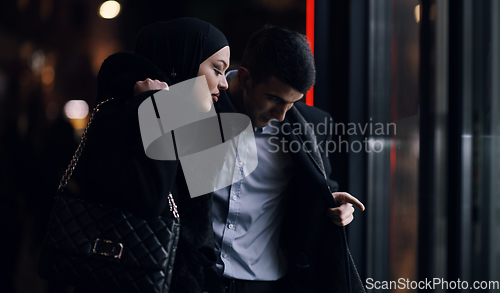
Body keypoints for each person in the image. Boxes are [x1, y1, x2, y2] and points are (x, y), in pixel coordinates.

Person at [75, 17, 229, 293]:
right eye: (217, 70)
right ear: (181, 61)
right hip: (122, 277)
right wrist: (156, 109)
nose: (225, 83)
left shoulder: (192, 122)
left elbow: (197, 230)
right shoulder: (119, 112)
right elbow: (148, 197)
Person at [212, 26, 366, 293]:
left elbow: (314, 194)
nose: (281, 115)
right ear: (246, 78)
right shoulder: (199, 108)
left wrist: (331, 204)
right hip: (194, 278)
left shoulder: (312, 126)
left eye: (292, 103)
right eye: (274, 99)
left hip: (266, 284)